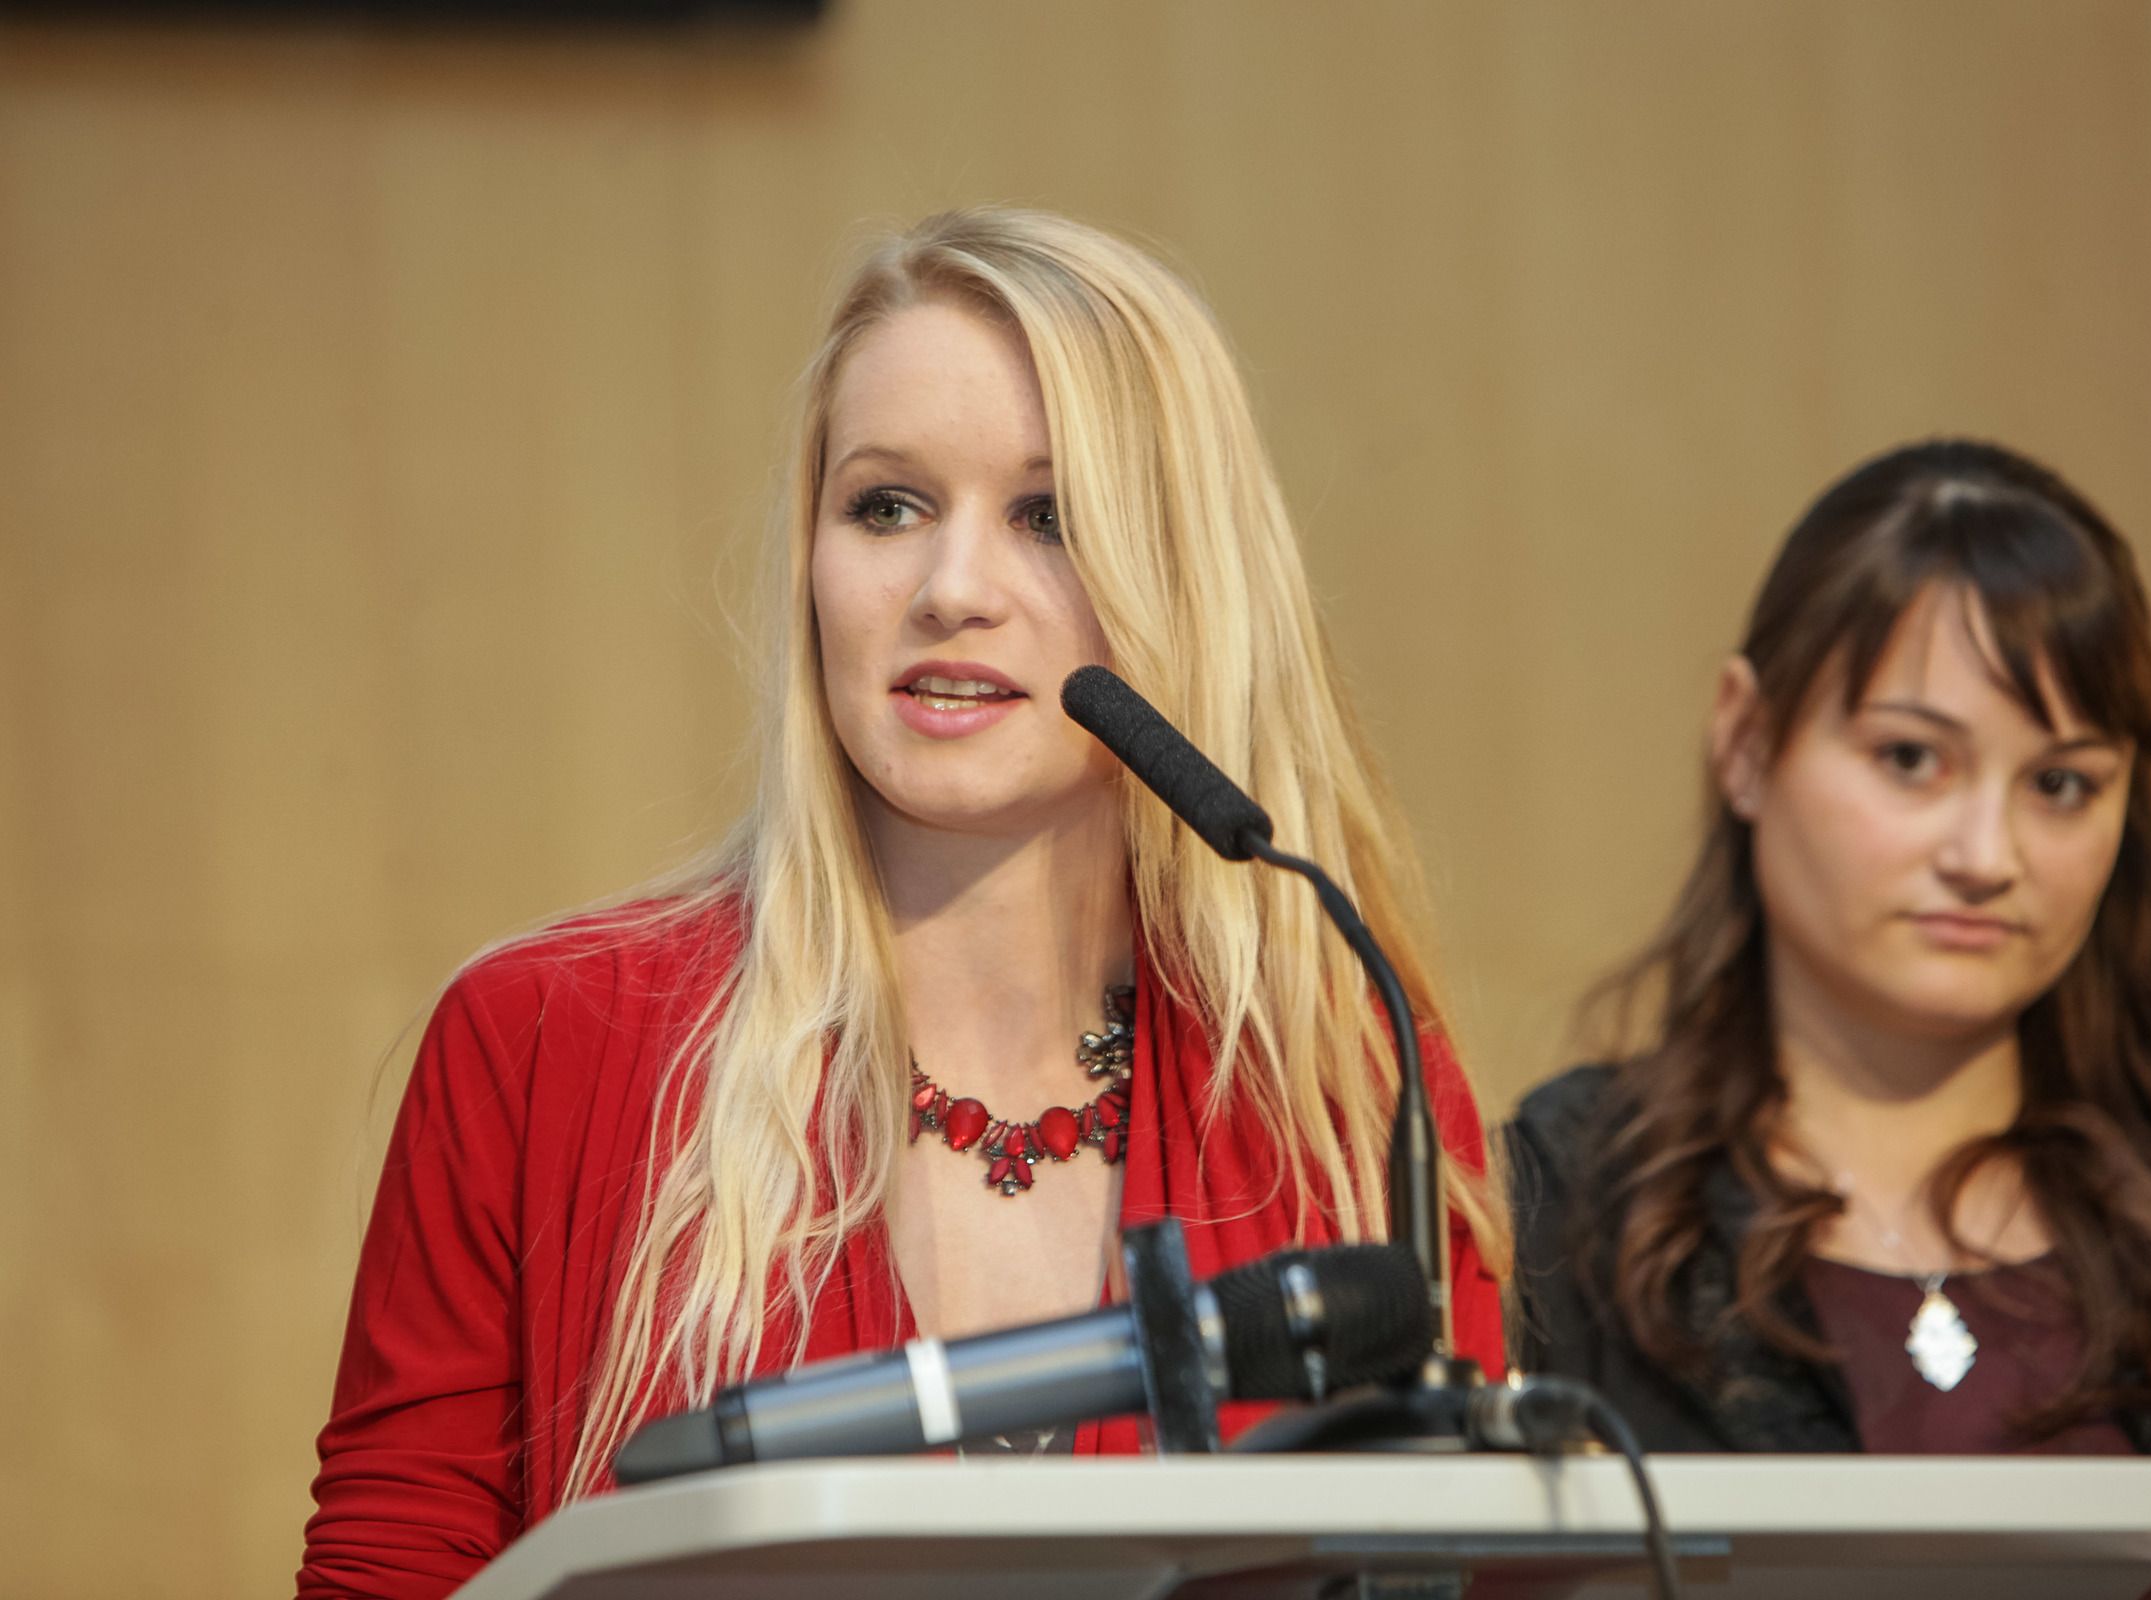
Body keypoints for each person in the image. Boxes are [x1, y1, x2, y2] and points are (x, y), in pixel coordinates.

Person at [298, 208, 1509, 1599]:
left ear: (1189, 580)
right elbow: (393, 1571)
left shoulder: (1344, 1086)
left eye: (1049, 516)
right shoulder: (542, 1039)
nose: (949, 591)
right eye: (887, 506)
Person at [1508, 440, 2151, 1599]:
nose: (1988, 856)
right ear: (1745, 740)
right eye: (1913, 758)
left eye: (2062, 784)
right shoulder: (1576, 1209)